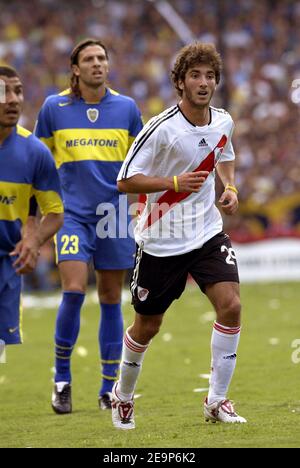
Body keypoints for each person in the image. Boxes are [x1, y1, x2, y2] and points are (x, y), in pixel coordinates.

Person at [112, 42, 247, 429]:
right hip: (161, 240)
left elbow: (225, 153)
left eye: (209, 76)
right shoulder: (160, 128)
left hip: (206, 234)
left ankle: (216, 401)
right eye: (195, 75)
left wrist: (231, 188)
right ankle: (123, 396)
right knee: (147, 327)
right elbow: (124, 180)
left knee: (231, 305)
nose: (203, 83)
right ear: (180, 82)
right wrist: (172, 181)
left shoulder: (223, 121)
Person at [35, 38, 143, 414]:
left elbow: (141, 163)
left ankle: (107, 387)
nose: (97, 64)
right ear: (75, 68)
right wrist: (41, 212)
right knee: (75, 290)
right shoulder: (53, 107)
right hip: (72, 215)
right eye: (89, 59)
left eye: (102, 58)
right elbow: (38, 160)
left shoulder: (127, 108)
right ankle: (62, 381)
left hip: (113, 216)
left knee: (112, 298)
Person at [0, 66, 64, 346]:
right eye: (3, 92)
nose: (13, 99)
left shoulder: (35, 152)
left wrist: (33, 240)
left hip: (7, 264)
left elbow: (54, 213)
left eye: (18, 91)